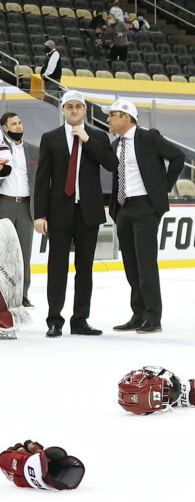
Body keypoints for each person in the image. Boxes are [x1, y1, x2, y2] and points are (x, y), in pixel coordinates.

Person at [34, 91, 118, 337]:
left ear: (84, 110)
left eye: (78, 107)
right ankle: (54, 320)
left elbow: (111, 165)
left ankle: (80, 319)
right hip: (58, 212)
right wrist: (40, 214)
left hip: (88, 212)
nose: (73, 111)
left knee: (85, 268)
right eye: (69, 107)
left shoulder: (98, 135)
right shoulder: (50, 138)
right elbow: (42, 178)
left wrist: (87, 140)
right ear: (62, 110)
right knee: (57, 267)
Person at [107, 99, 186, 333]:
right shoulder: (115, 145)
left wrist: (162, 189)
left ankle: (153, 316)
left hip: (145, 206)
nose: (108, 119)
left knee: (146, 263)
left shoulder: (148, 137)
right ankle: (138, 313)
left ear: (126, 117)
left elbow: (178, 157)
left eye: (112, 115)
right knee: (131, 263)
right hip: (124, 208)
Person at [0, 113, 35, 307]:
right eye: (14, 124)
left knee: (24, 253)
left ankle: (22, 295)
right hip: (4, 204)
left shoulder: (33, 150)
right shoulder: (1, 150)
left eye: (20, 122)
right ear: (5, 129)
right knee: (3, 253)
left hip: (26, 207)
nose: (19, 126)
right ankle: (3, 296)